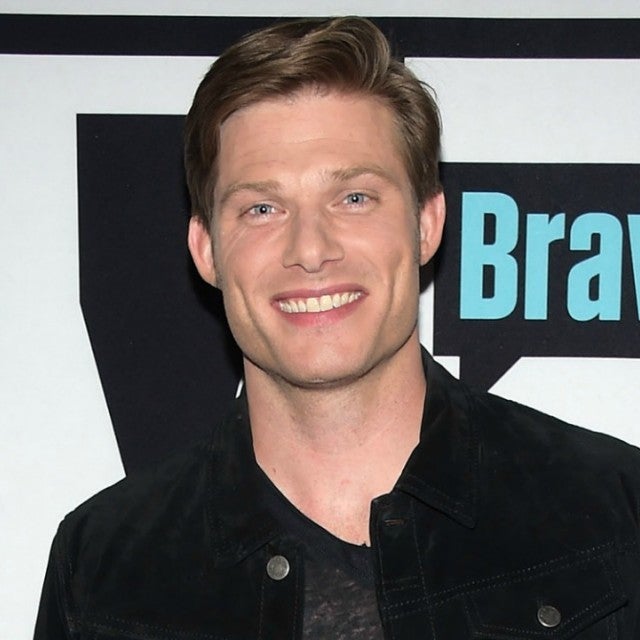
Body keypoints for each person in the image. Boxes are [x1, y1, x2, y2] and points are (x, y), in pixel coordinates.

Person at [35, 17, 640, 639]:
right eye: (262, 208)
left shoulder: (615, 514)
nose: (311, 249)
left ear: (427, 223)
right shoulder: (103, 573)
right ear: (206, 248)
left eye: (354, 198)